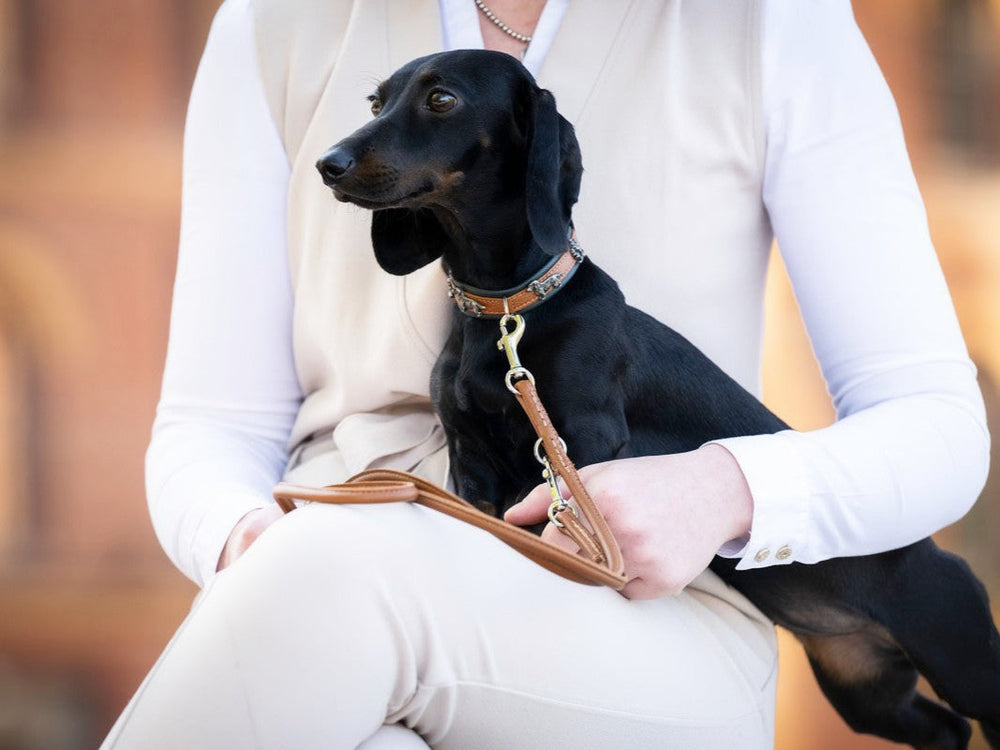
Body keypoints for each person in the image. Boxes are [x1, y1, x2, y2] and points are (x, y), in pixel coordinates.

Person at [102, 0, 990, 747]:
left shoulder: (767, 19)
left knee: (332, 574)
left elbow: (939, 430)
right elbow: (211, 428)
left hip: (658, 620)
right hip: (318, 591)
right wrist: (251, 549)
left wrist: (721, 489)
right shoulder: (273, 21)